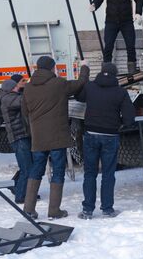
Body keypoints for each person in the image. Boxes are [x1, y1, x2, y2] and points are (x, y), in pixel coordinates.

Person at [22, 56, 90, 219]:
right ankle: (54, 210)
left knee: (36, 169)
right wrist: (85, 67)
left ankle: (29, 209)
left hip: (38, 137)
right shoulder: (58, 84)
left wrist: (34, 128)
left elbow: (24, 112)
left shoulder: (28, 87)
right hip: (57, 137)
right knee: (58, 170)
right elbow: (80, 83)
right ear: (52, 68)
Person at [75, 63, 135, 219]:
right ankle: (107, 209)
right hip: (110, 136)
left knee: (90, 173)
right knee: (108, 174)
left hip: (90, 134)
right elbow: (129, 118)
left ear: (101, 72)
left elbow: (78, 97)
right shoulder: (120, 92)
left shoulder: (90, 87)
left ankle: (87, 210)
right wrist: (119, 123)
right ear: (115, 75)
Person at [90, 0, 143, 74]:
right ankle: (106, 72)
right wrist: (94, 4)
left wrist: (138, 13)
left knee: (130, 47)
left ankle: (132, 71)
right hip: (111, 21)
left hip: (126, 21)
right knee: (108, 47)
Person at [0, 79, 32, 204]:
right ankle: (20, 195)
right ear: (11, 88)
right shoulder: (8, 99)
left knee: (27, 166)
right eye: (16, 86)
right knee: (26, 168)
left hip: (20, 136)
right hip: (19, 137)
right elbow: (24, 101)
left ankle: (18, 188)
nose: (18, 87)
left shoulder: (8, 97)